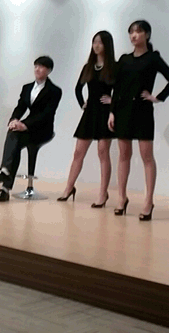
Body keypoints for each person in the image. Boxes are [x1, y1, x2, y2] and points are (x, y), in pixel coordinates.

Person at [108, 20, 169, 220]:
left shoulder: (153, 58)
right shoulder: (124, 59)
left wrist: (157, 97)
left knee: (146, 156)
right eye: (131, 32)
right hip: (122, 110)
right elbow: (117, 88)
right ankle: (121, 198)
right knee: (123, 155)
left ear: (147, 35)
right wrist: (112, 112)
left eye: (138, 32)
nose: (134, 35)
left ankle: (148, 201)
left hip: (142, 111)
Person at [0, 56, 62, 202]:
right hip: (28, 128)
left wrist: (25, 125)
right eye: (36, 66)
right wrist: (13, 120)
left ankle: (5, 179)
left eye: (41, 67)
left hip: (43, 130)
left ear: (49, 70)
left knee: (15, 140)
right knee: (13, 135)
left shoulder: (55, 90)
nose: (37, 69)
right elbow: (20, 107)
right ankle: (5, 182)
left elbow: (47, 114)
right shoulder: (27, 87)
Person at [58, 31, 116, 207]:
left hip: (105, 113)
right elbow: (78, 88)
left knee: (103, 153)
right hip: (90, 112)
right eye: (94, 42)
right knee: (78, 152)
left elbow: (122, 90)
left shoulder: (114, 67)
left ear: (107, 45)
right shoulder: (88, 67)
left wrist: (113, 101)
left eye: (100, 42)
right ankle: (69, 188)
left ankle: (103, 194)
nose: (96, 45)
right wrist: (82, 103)